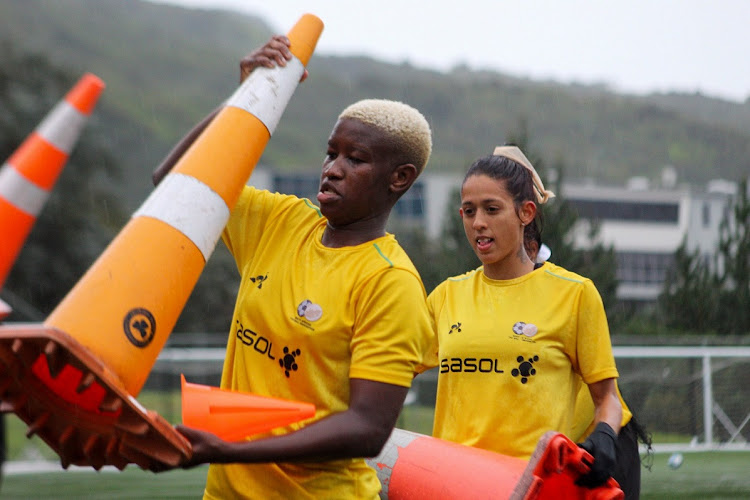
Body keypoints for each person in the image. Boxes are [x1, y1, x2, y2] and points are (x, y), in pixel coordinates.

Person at [155, 36, 434, 499]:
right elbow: (177, 183)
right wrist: (243, 102)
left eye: (355, 159)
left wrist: (227, 446)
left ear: (400, 177)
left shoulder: (391, 283)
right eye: (331, 153)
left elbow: (366, 428)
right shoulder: (278, 221)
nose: (332, 169)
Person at [420, 146, 624, 490]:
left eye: (491, 209)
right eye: (469, 211)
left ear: (526, 212)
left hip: (530, 488)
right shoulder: (445, 296)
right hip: (452, 486)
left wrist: (605, 436)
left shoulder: (574, 294)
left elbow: (608, 399)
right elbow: (387, 366)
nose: (478, 222)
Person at [524, 223, 651, 499]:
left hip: (602, 442)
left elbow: (605, 395)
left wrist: (604, 435)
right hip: (560, 449)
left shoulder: (564, 300)